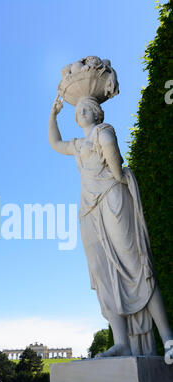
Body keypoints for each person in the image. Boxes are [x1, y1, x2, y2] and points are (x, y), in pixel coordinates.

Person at [49, 90, 173, 357]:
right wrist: (53, 115)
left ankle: (167, 338)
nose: (80, 111)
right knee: (104, 273)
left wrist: (116, 172)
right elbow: (55, 143)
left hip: (112, 198)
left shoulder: (104, 131)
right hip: (88, 210)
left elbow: (116, 168)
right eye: (78, 109)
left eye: (87, 107)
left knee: (135, 266)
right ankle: (122, 342)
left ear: (97, 112)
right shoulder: (78, 144)